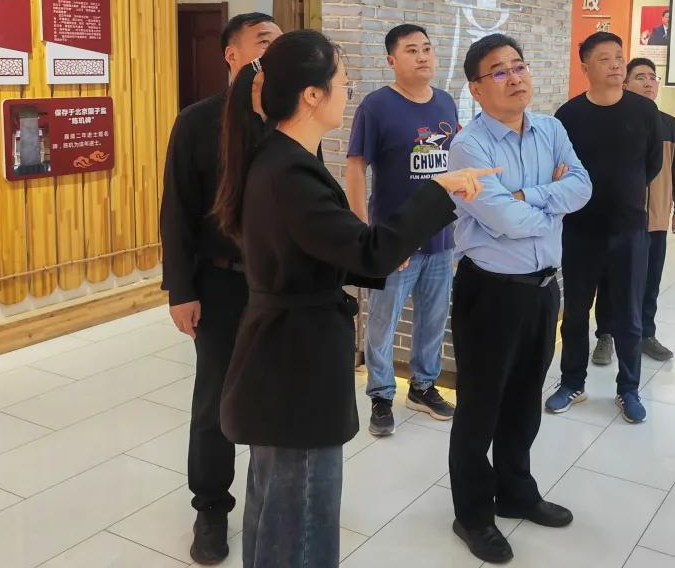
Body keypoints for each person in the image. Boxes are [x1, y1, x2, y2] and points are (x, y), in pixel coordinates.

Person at [212, 29, 496, 568]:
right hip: (295, 364)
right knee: (300, 514)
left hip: (286, 355)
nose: (348, 92)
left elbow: (323, 248)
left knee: (278, 507)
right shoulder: (289, 171)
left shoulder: (281, 158)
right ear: (312, 95)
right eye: (343, 82)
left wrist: (376, 250)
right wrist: (440, 189)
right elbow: (368, 251)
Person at [446, 34, 591, 564]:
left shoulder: (551, 128)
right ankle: (472, 514)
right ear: (476, 88)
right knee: (480, 407)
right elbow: (504, 220)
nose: (515, 77)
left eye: (519, 66)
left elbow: (582, 187)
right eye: (500, 71)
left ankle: (515, 492)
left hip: (544, 288)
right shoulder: (469, 147)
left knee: (526, 399)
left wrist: (528, 196)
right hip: (490, 292)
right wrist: (548, 202)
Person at [160, 12, 281, 565]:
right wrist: (181, 290)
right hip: (221, 283)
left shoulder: (289, 117)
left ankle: (272, 498)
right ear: (231, 54)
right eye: (263, 41)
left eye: (280, 42)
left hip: (280, 285)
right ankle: (210, 507)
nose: (274, 50)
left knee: (275, 396)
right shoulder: (197, 121)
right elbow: (177, 212)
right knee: (215, 401)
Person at [346, 24, 459, 438]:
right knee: (382, 321)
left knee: (433, 319)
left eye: (427, 48)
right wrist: (366, 235)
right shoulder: (376, 107)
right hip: (393, 240)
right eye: (412, 50)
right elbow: (356, 168)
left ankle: (423, 387)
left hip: (441, 238)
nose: (423, 56)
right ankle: (380, 394)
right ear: (391, 61)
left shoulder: (445, 102)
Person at [546, 32, 662, 424]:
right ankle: (572, 383)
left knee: (629, 315)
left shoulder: (645, 112)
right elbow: (561, 168)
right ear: (585, 68)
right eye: (604, 58)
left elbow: (651, 165)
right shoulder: (569, 115)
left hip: (629, 229)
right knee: (576, 312)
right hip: (581, 230)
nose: (615, 64)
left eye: (618, 57)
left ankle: (628, 389)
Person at [593, 58, 675, 364]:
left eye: (652, 77)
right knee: (610, 278)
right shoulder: (612, 119)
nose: (648, 83)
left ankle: (646, 333)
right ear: (625, 83)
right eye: (640, 77)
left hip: (655, 217)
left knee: (650, 278)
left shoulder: (669, 124)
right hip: (617, 216)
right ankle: (605, 335)